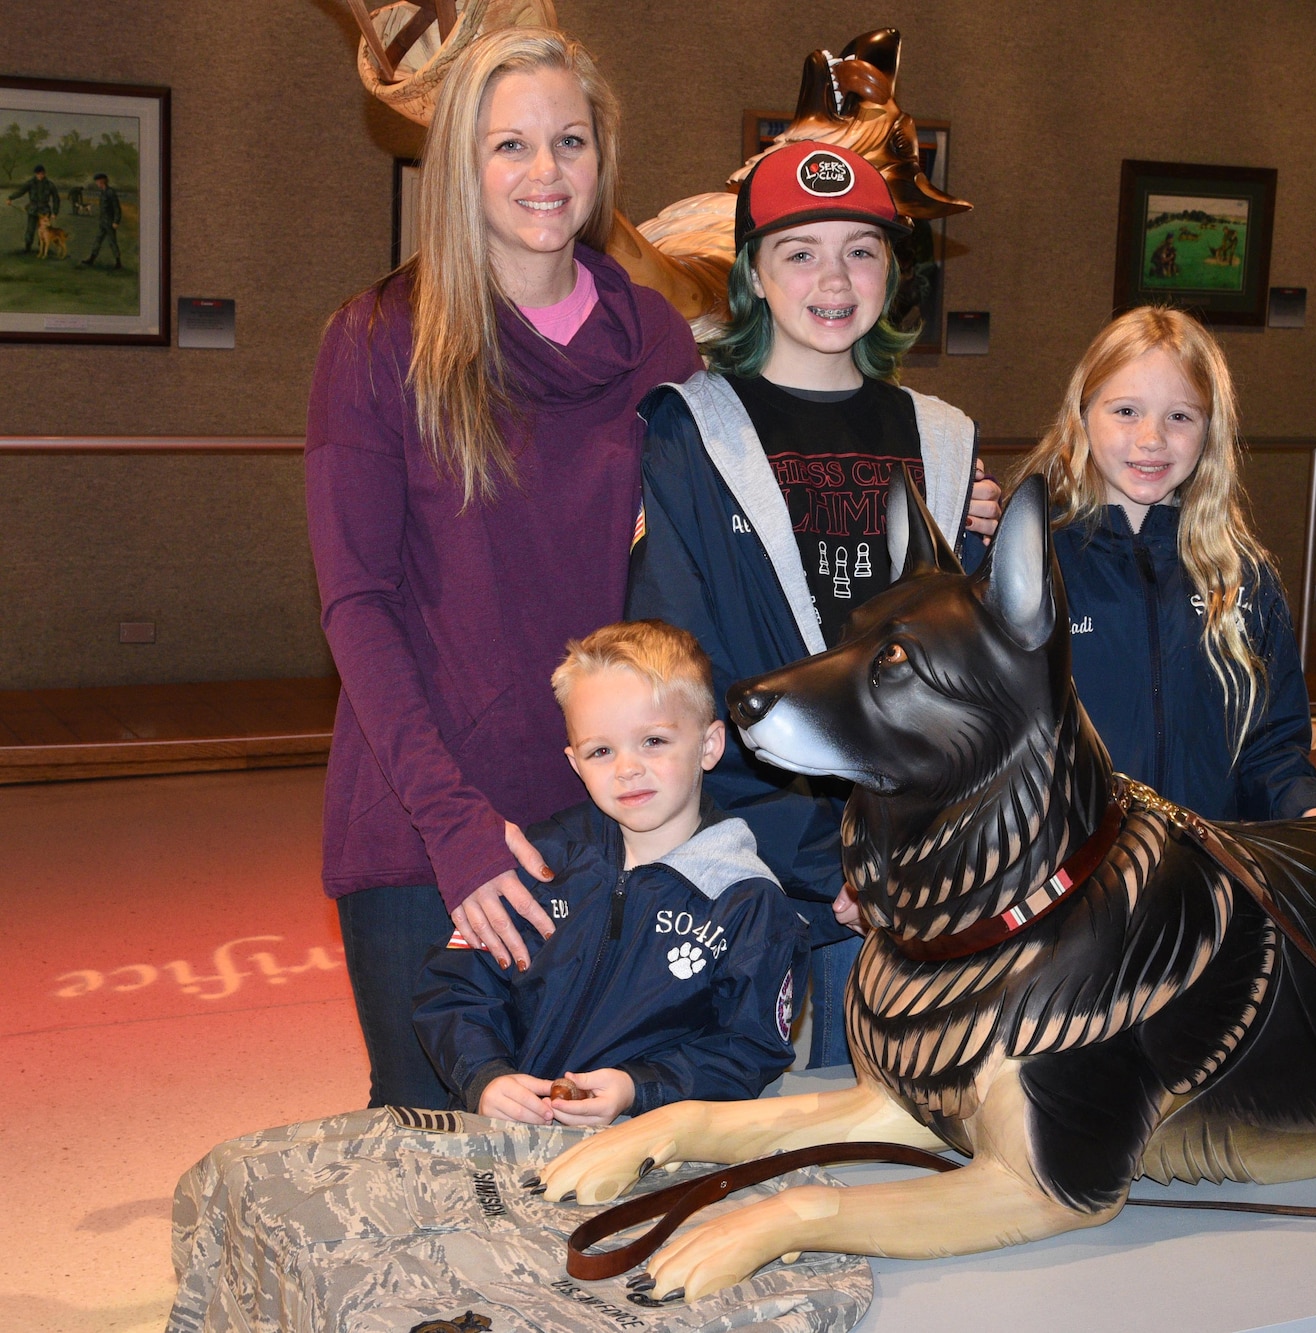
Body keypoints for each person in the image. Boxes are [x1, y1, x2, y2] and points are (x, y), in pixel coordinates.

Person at [305, 27, 701, 1109]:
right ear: (460, 167)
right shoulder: (379, 340)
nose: (543, 174)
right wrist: (456, 829)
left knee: (580, 1157)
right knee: (435, 1157)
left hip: (607, 810)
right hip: (428, 821)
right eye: (508, 145)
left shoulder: (656, 343)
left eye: (568, 141)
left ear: (601, 158)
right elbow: (356, 602)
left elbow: (722, 552)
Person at [625, 139, 1000, 1067]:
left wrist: (916, 856)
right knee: (776, 1149)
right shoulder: (691, 433)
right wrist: (824, 862)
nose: (834, 277)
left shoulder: (943, 440)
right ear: (752, 272)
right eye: (800, 251)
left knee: (902, 1142)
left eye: (861, 249)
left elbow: (969, 684)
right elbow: (683, 672)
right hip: (765, 871)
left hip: (920, 874)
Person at [413, 621, 808, 1125]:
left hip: (644, 1147)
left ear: (709, 746)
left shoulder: (747, 902)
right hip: (504, 1132)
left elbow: (749, 1050)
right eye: (601, 751)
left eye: (653, 741)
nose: (627, 768)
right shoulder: (540, 862)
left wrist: (635, 1088)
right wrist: (485, 1077)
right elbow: (455, 986)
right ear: (575, 763)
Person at [1017, 305, 1316, 821]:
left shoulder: (1244, 577)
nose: (1152, 438)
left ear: (1208, 432)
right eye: (1126, 411)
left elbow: (1271, 754)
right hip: (1073, 883)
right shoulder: (1029, 562)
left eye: (1179, 416)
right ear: (1083, 415)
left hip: (1207, 879)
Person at [9, 164, 57, 252]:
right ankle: (27, 247)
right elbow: (21, 191)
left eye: (42, 173)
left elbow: (56, 198)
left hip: (44, 211)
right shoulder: (30, 183)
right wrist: (10, 198)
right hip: (33, 210)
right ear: (35, 174)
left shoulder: (50, 184)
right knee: (30, 229)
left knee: (45, 230)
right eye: (38, 173)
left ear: (45, 173)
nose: (40, 175)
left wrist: (54, 212)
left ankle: (42, 248)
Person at [80, 173, 121, 269]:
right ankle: (91, 259)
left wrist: (116, 221)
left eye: (98, 182)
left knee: (112, 242)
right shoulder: (102, 192)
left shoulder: (110, 192)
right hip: (103, 222)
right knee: (98, 240)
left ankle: (118, 262)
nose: (97, 184)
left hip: (110, 222)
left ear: (102, 181)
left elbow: (117, 208)